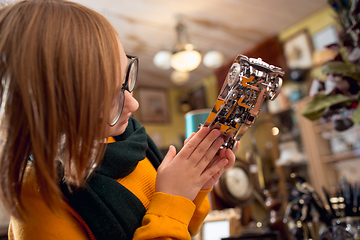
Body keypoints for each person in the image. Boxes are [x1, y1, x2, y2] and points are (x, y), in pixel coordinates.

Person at [0, 0, 237, 239]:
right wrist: (173, 200)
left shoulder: (129, 140)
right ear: (56, 109)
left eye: (126, 78)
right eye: (111, 97)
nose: (134, 104)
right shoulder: (39, 202)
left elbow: (183, 228)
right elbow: (168, 217)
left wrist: (195, 185)